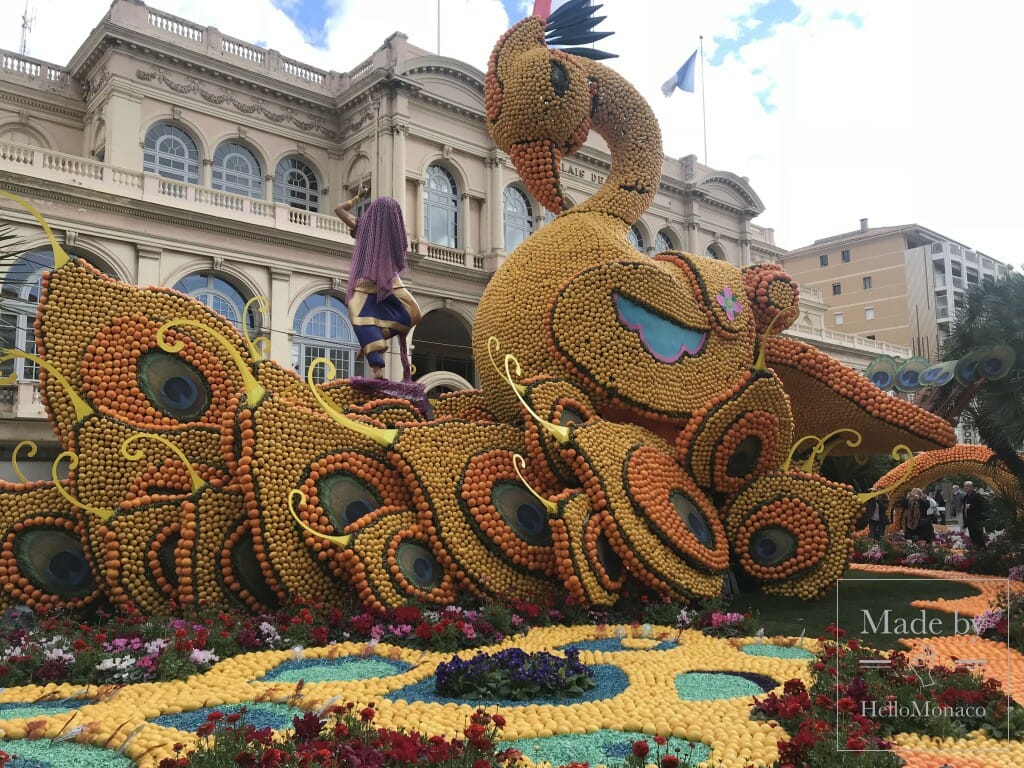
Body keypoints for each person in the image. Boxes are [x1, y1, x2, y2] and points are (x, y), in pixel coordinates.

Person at [334, 187, 421, 380]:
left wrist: (357, 198)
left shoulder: (363, 226)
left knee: (359, 314)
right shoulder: (381, 232)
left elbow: (338, 210)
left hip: (371, 282)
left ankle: (373, 348)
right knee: (410, 312)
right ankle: (374, 351)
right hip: (386, 281)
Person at [961, 481, 989, 548]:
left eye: (967, 486)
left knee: (979, 537)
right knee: (973, 537)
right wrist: (965, 523)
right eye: (965, 486)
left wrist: (971, 506)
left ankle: (982, 552)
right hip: (969, 521)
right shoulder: (965, 497)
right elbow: (964, 510)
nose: (965, 487)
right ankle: (975, 552)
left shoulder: (977, 495)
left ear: (971, 487)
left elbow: (982, 506)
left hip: (977, 521)